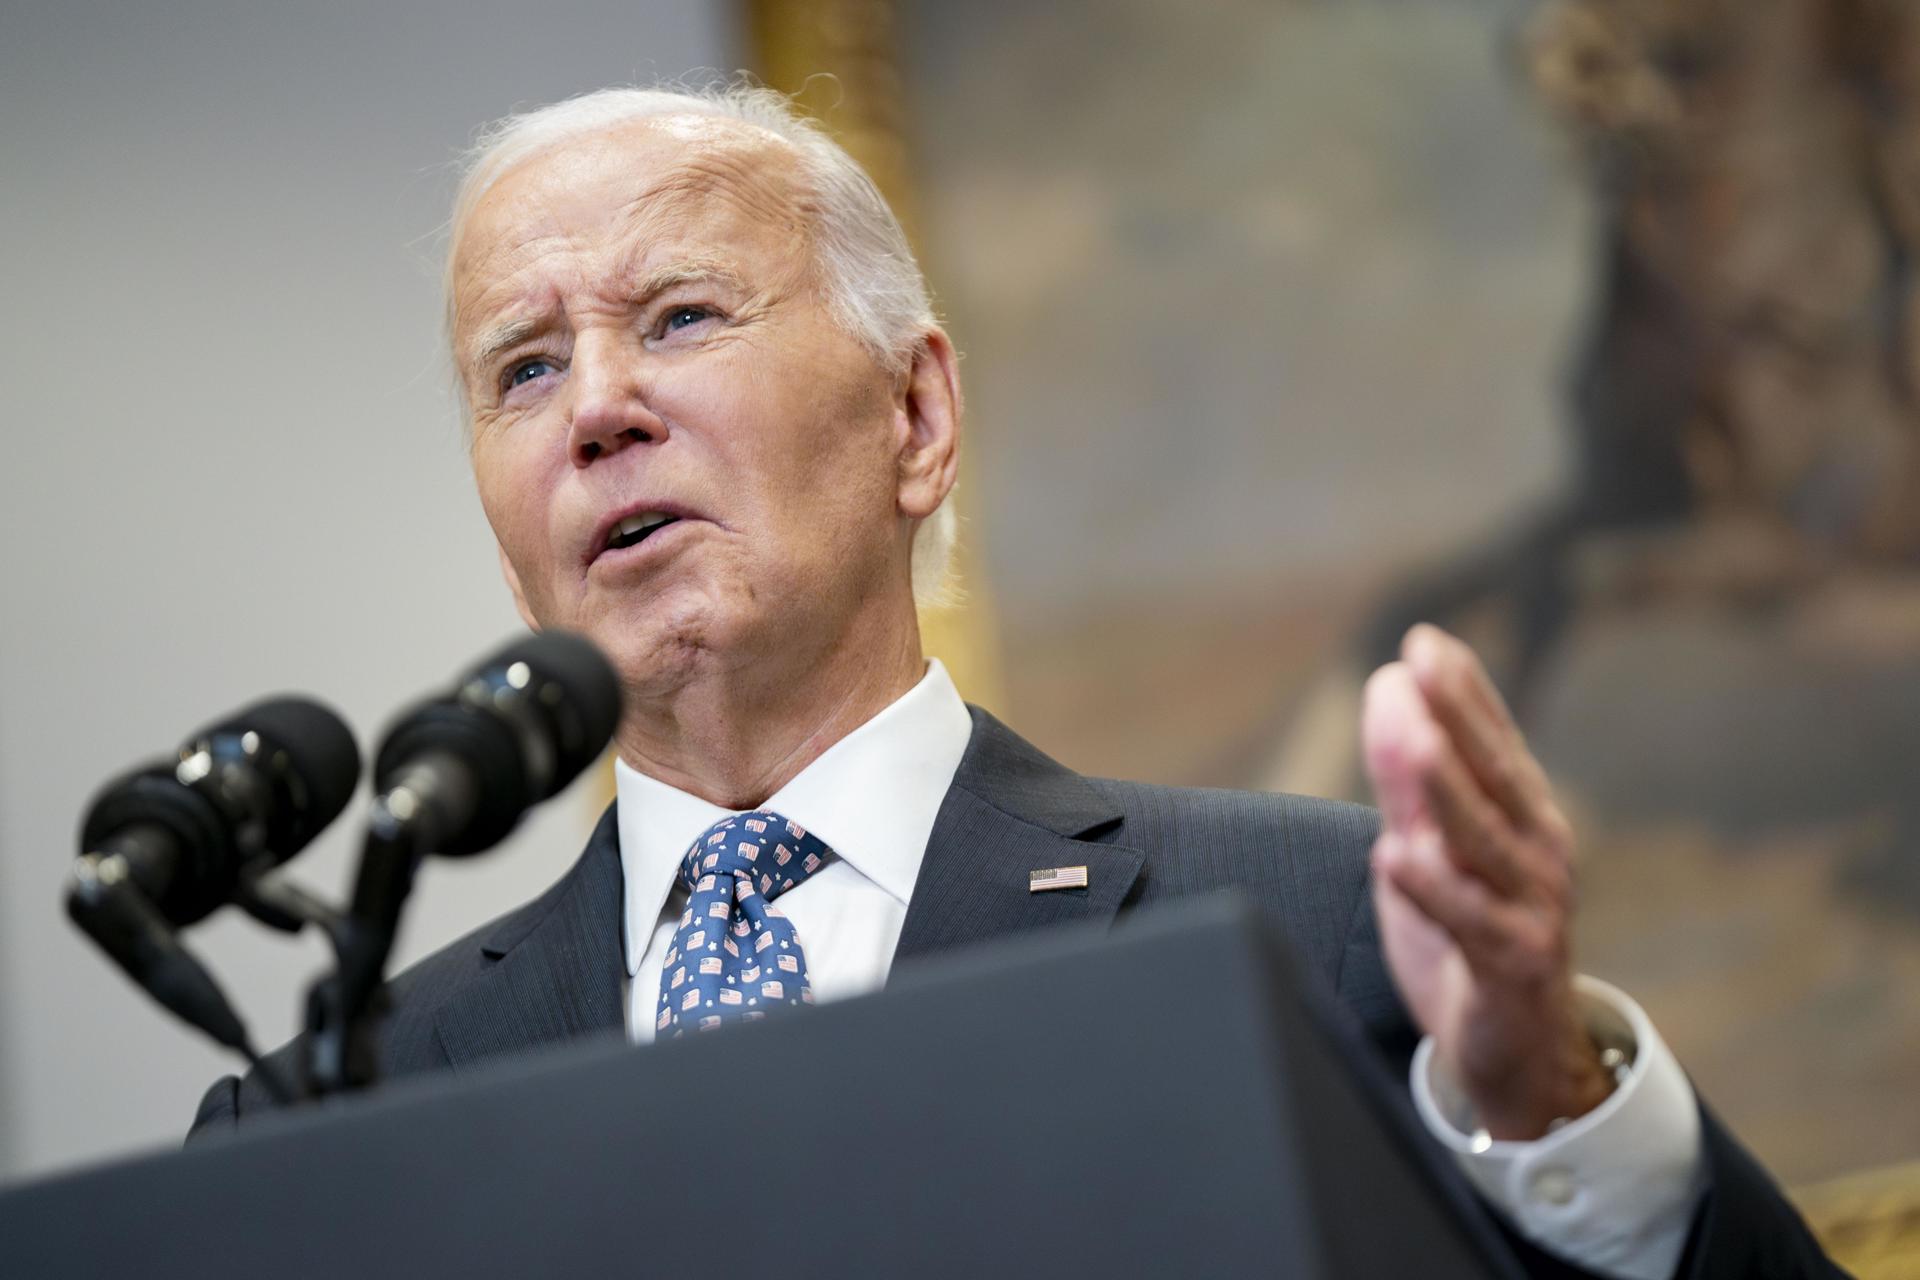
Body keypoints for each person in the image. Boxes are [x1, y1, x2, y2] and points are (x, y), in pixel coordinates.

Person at [190, 85, 1841, 1278]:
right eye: (524, 369)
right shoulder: (332, 1111)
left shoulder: (1313, 927)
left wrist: (1551, 1104)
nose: (595, 410)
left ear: (916, 420)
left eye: (680, 317)